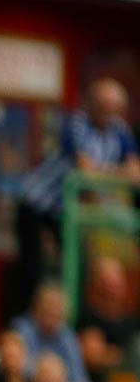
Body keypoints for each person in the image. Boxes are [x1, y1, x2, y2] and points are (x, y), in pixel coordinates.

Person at [15, 78, 140, 313]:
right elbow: (84, 168)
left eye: (113, 107)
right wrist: (117, 173)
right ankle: (27, 319)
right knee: (33, 266)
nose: (108, 112)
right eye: (103, 105)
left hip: (65, 210)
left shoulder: (120, 131)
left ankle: (65, 318)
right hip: (37, 202)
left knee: (75, 264)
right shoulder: (76, 123)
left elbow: (135, 171)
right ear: (91, 104)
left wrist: (104, 172)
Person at [13, 281, 91, 382]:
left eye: (57, 313)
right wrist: (52, 378)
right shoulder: (22, 330)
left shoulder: (66, 336)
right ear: (37, 309)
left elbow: (80, 381)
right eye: (48, 310)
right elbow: (21, 370)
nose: (52, 316)